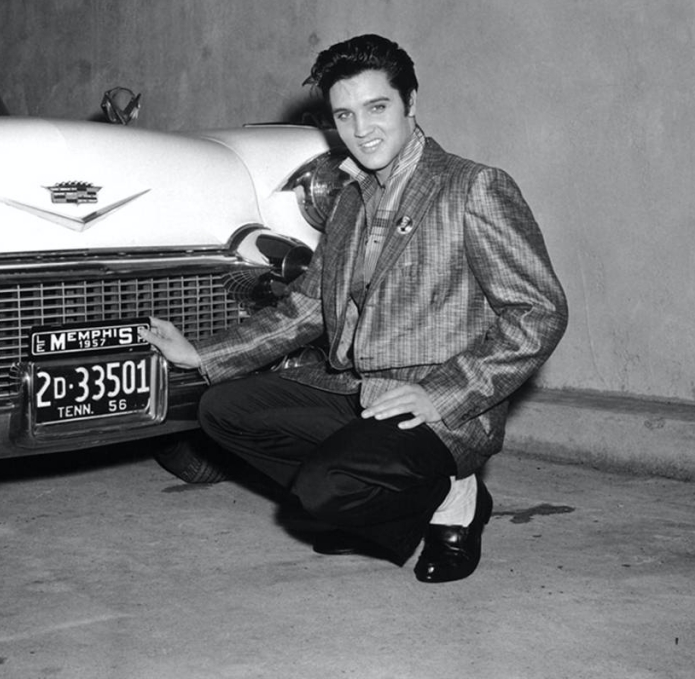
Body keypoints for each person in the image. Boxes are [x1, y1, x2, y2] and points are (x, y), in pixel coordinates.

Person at [144, 33, 568, 583]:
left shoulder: (472, 187)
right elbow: (304, 310)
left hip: (436, 408)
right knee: (222, 410)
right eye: (344, 115)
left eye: (377, 108)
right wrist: (201, 353)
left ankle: (454, 500)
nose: (361, 130)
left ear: (411, 104)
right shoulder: (349, 199)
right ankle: (380, 507)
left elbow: (539, 312)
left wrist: (444, 396)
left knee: (325, 491)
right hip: (358, 392)